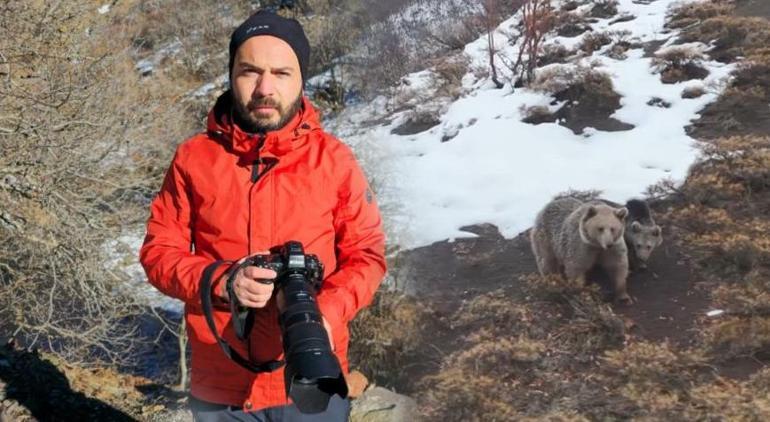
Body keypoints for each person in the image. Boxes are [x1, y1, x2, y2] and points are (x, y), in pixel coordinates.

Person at [139, 10, 386, 421]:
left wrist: (327, 310)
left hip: (312, 375)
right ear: (231, 74)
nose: (265, 88)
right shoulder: (193, 159)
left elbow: (368, 255)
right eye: (250, 71)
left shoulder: (334, 161)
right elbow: (158, 253)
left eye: (281, 73)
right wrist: (224, 281)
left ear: (302, 79)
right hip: (221, 386)